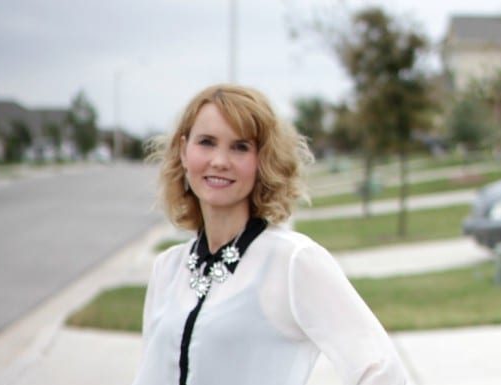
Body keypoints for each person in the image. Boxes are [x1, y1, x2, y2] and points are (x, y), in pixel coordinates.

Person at [133, 84, 408, 385]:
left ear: (263, 160)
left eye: (240, 147)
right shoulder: (167, 269)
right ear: (184, 151)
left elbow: (382, 371)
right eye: (207, 142)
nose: (220, 160)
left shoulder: (292, 261)